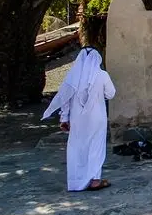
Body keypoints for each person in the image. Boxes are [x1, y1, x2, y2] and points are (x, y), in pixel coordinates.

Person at [42, 47, 116, 191]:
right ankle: (95, 180)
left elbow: (65, 99)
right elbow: (111, 94)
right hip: (97, 117)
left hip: (77, 119)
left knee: (77, 147)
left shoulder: (72, 77)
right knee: (96, 146)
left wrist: (64, 118)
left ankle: (76, 181)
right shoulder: (102, 75)